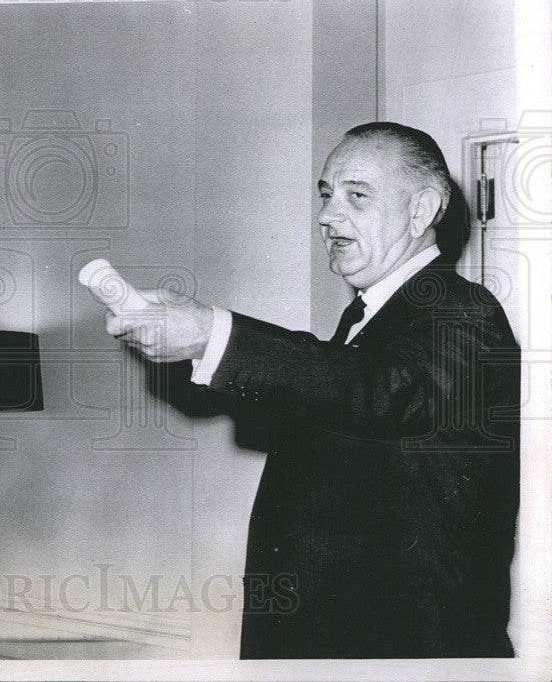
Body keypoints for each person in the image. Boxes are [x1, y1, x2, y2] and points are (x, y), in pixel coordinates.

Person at [102, 123, 519, 658]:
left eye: (357, 196)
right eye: (326, 195)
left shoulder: (464, 310)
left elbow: (378, 392)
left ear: (421, 211)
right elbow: (326, 403)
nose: (327, 215)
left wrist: (213, 332)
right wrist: (191, 345)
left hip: (407, 648)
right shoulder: (367, 317)